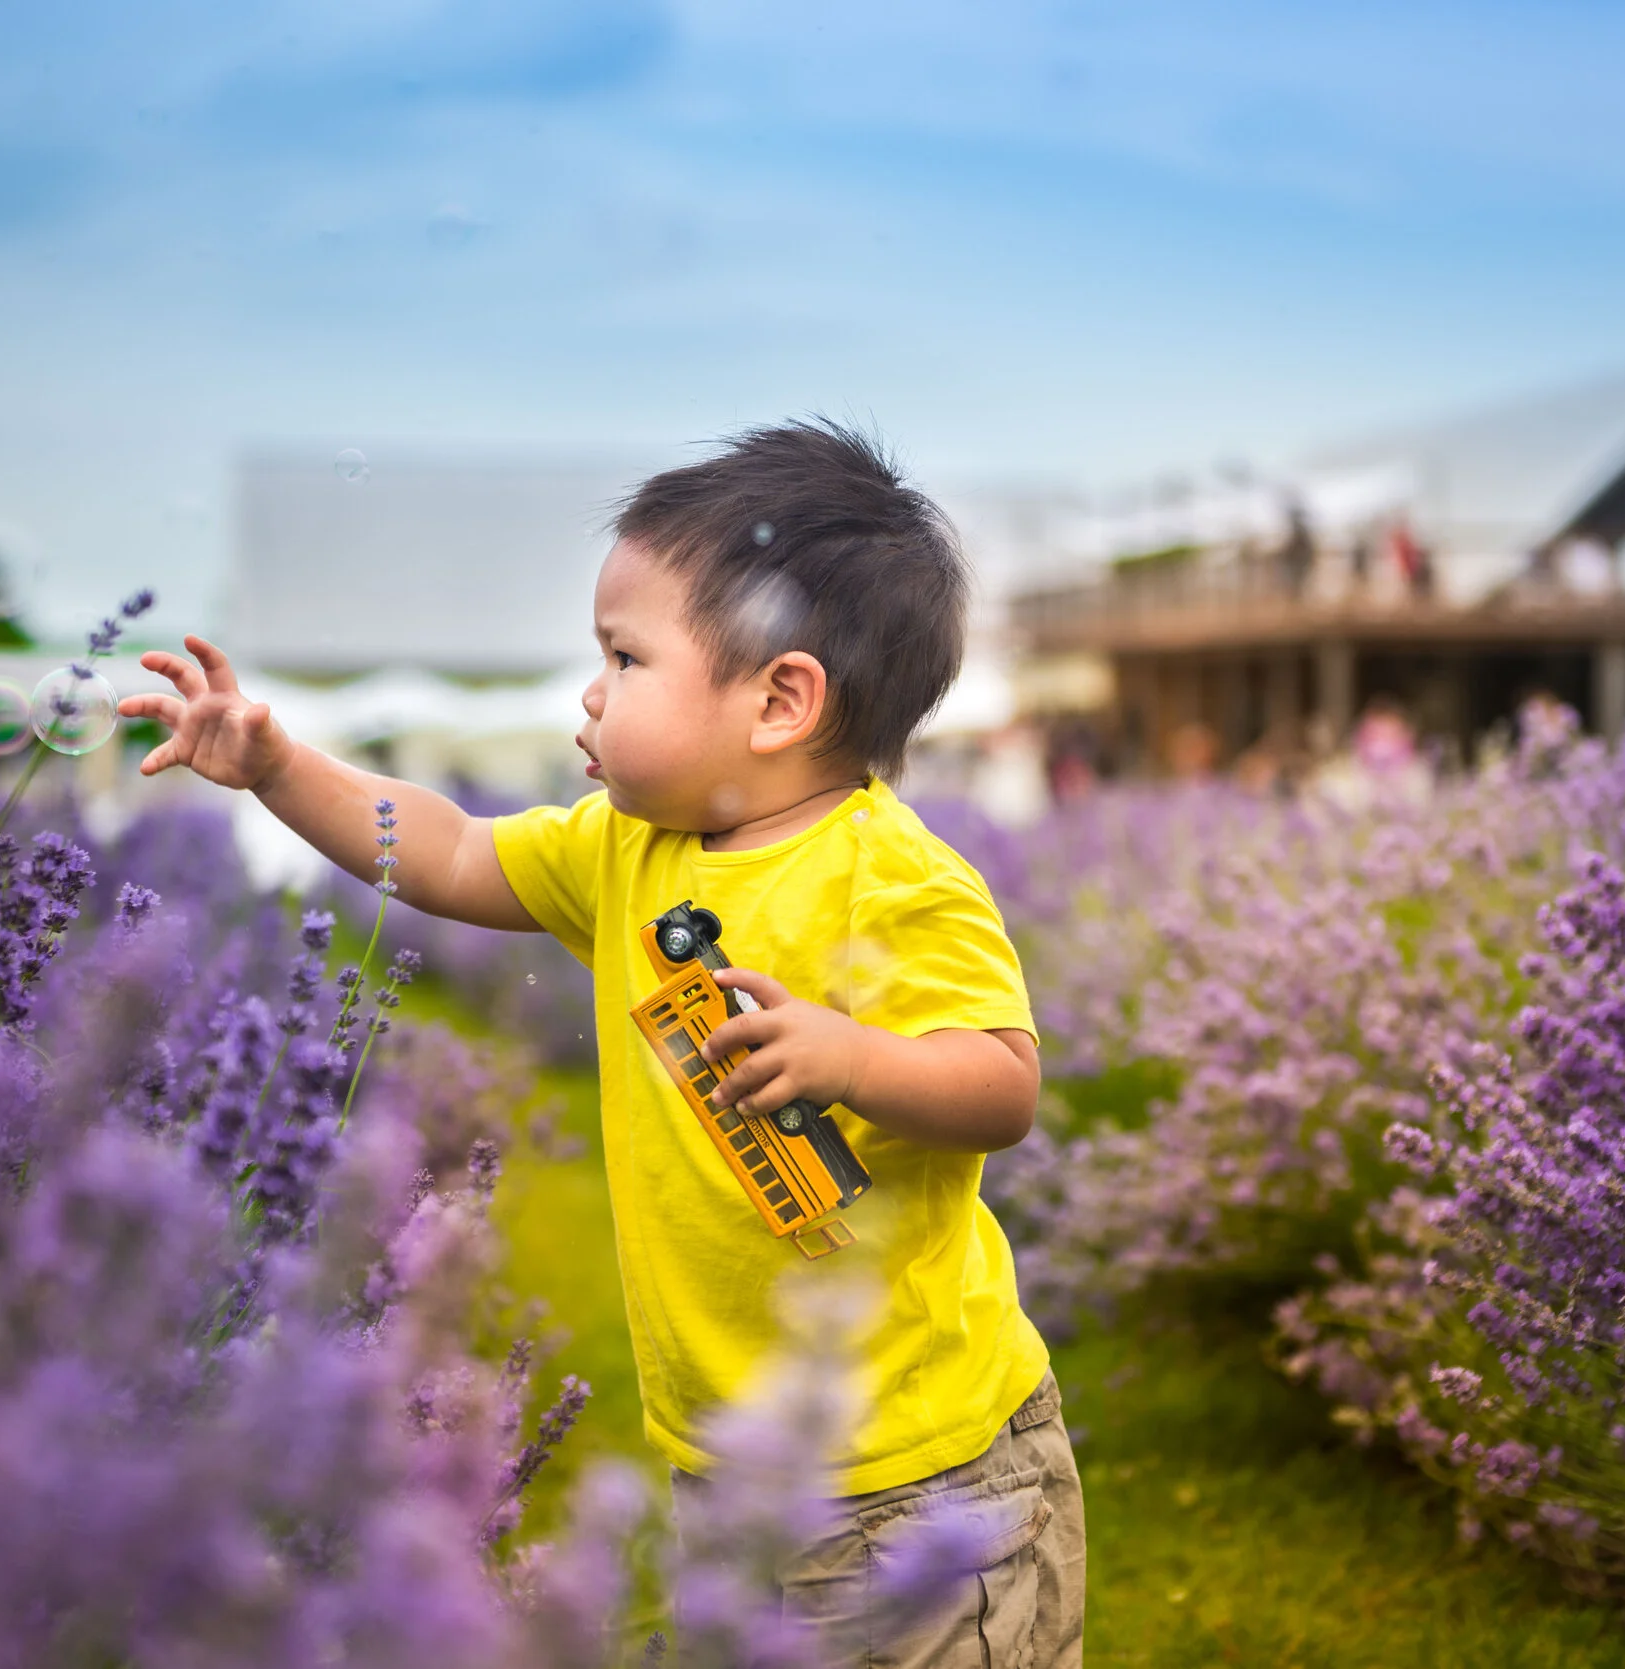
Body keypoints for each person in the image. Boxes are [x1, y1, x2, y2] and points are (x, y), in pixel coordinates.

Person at [119, 420, 1084, 1668]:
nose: (590, 691)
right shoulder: (628, 848)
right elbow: (448, 851)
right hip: (731, 1454)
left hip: (919, 1470)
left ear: (780, 701)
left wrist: (853, 1058)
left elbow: (1002, 1082)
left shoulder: (894, 879)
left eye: (625, 658)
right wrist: (277, 768)